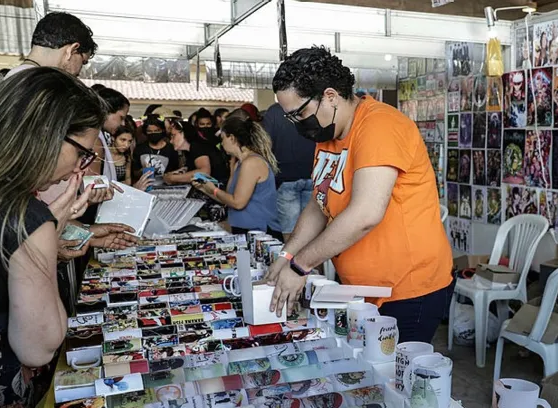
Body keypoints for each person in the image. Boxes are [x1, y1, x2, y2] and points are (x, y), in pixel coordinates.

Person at [267, 47, 453, 343]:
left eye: (300, 113)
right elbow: (319, 203)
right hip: (362, 287)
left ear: (330, 96)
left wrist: (300, 265)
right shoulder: (329, 133)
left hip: (406, 288)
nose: (297, 124)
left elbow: (365, 214)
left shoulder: (380, 126)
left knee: (393, 379)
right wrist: (287, 255)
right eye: (290, 117)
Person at [0, 67, 106, 408]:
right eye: (83, 152)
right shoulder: (25, 215)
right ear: (47, 134)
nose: (81, 168)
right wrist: (49, 233)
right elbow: (39, 345)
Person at [192, 117, 282, 239]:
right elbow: (228, 198)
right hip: (244, 229)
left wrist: (213, 189)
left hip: (260, 232)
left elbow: (238, 203)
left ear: (232, 138)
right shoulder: (238, 163)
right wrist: (204, 188)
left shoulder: (252, 162)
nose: (222, 143)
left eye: (223, 138)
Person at [263, 102, 316, 241]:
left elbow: (265, 145)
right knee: (313, 235)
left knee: (290, 234)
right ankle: (310, 262)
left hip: (285, 178)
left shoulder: (274, 111)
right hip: (314, 176)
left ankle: (290, 262)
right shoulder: (313, 105)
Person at [5, 12, 96, 78]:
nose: (79, 72)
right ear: (71, 50)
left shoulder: (13, 77)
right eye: (83, 62)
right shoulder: (42, 87)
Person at [92, 88, 130, 183]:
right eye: (121, 117)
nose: (123, 123)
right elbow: (93, 184)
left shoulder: (100, 135)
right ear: (106, 111)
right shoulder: (95, 140)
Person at [164, 120, 215, 185]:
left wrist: (173, 178)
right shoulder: (189, 151)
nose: (171, 141)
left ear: (184, 133)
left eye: (173, 135)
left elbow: (204, 173)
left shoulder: (197, 146)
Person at [132, 115, 179, 181]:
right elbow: (134, 173)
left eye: (157, 130)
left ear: (162, 130)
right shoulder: (139, 149)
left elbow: (175, 171)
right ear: (145, 132)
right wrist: (143, 171)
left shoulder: (171, 149)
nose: (153, 133)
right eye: (149, 131)